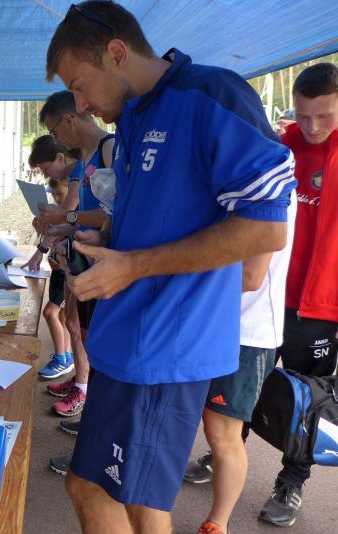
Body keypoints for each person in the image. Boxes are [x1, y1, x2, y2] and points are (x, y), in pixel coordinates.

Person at [45, 3, 295, 533]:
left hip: (165, 348)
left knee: (130, 500)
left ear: (117, 53)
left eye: (80, 86)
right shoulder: (134, 117)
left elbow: (266, 229)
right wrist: (104, 242)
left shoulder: (212, 94)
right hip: (125, 340)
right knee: (93, 489)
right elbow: (156, 219)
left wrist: (133, 265)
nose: (81, 104)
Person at [183, 195, 296, 533]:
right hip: (207, 322)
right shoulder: (228, 181)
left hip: (247, 331)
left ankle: (217, 525)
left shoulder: (270, 184)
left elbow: (251, 276)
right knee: (189, 420)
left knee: (222, 433)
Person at [257, 62, 338, 528]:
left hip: (322, 304)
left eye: (324, 116)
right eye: (304, 115)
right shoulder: (280, 149)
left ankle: (292, 481)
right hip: (268, 295)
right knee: (247, 382)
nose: (312, 126)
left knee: (307, 399)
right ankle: (226, 453)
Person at [33, 91, 114, 418]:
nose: (57, 141)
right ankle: (83, 384)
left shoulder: (109, 148)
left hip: (104, 263)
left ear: (69, 120)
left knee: (92, 336)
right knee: (78, 326)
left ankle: (86, 392)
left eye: (54, 131)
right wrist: (59, 227)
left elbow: (113, 214)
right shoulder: (88, 156)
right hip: (85, 257)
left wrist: (64, 217)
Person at [23, 135, 80, 379]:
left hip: (72, 270)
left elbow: (70, 227)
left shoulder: (76, 205)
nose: (57, 199)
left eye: (46, 170)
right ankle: (67, 360)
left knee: (57, 315)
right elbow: (56, 235)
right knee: (67, 319)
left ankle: (68, 365)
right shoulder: (66, 209)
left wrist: (54, 228)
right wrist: (44, 243)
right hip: (60, 269)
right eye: (54, 195)